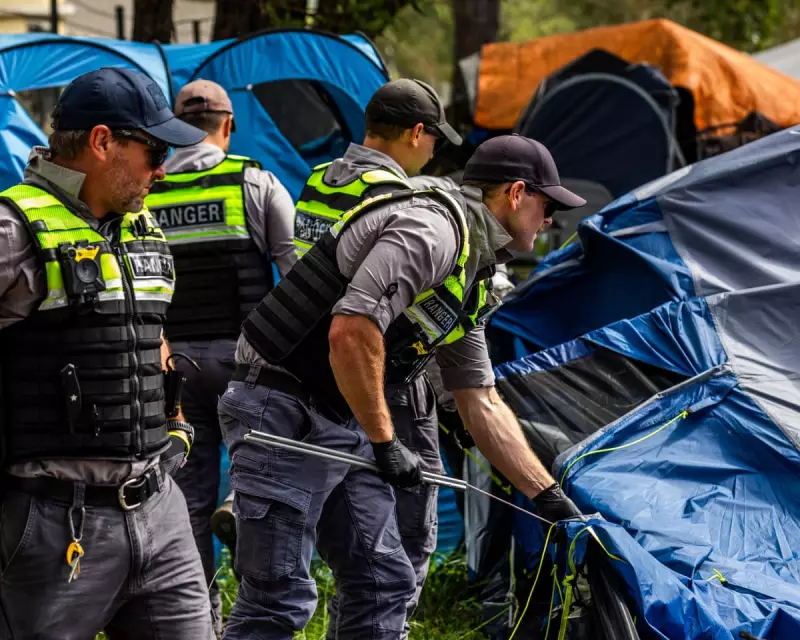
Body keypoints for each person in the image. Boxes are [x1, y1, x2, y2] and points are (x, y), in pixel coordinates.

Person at [218, 132, 587, 640]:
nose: (551, 221)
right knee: (277, 601)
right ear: (516, 193)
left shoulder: (472, 275)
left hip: (344, 417)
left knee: (384, 580)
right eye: (547, 206)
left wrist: (545, 494)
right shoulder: (432, 229)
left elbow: (479, 398)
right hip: (282, 406)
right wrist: (387, 443)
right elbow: (352, 330)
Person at [0, 68, 215, 638]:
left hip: (161, 509)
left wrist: (176, 421)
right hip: (52, 522)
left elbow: (149, 328)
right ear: (101, 142)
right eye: (153, 152)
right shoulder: (12, 227)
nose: (162, 170)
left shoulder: (141, 225)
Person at [143, 79, 297, 629]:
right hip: (246, 363)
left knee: (186, 498)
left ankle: (198, 620)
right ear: (228, 125)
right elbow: (296, 275)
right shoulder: (254, 180)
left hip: (170, 368)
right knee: (260, 489)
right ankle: (255, 617)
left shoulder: (148, 189)